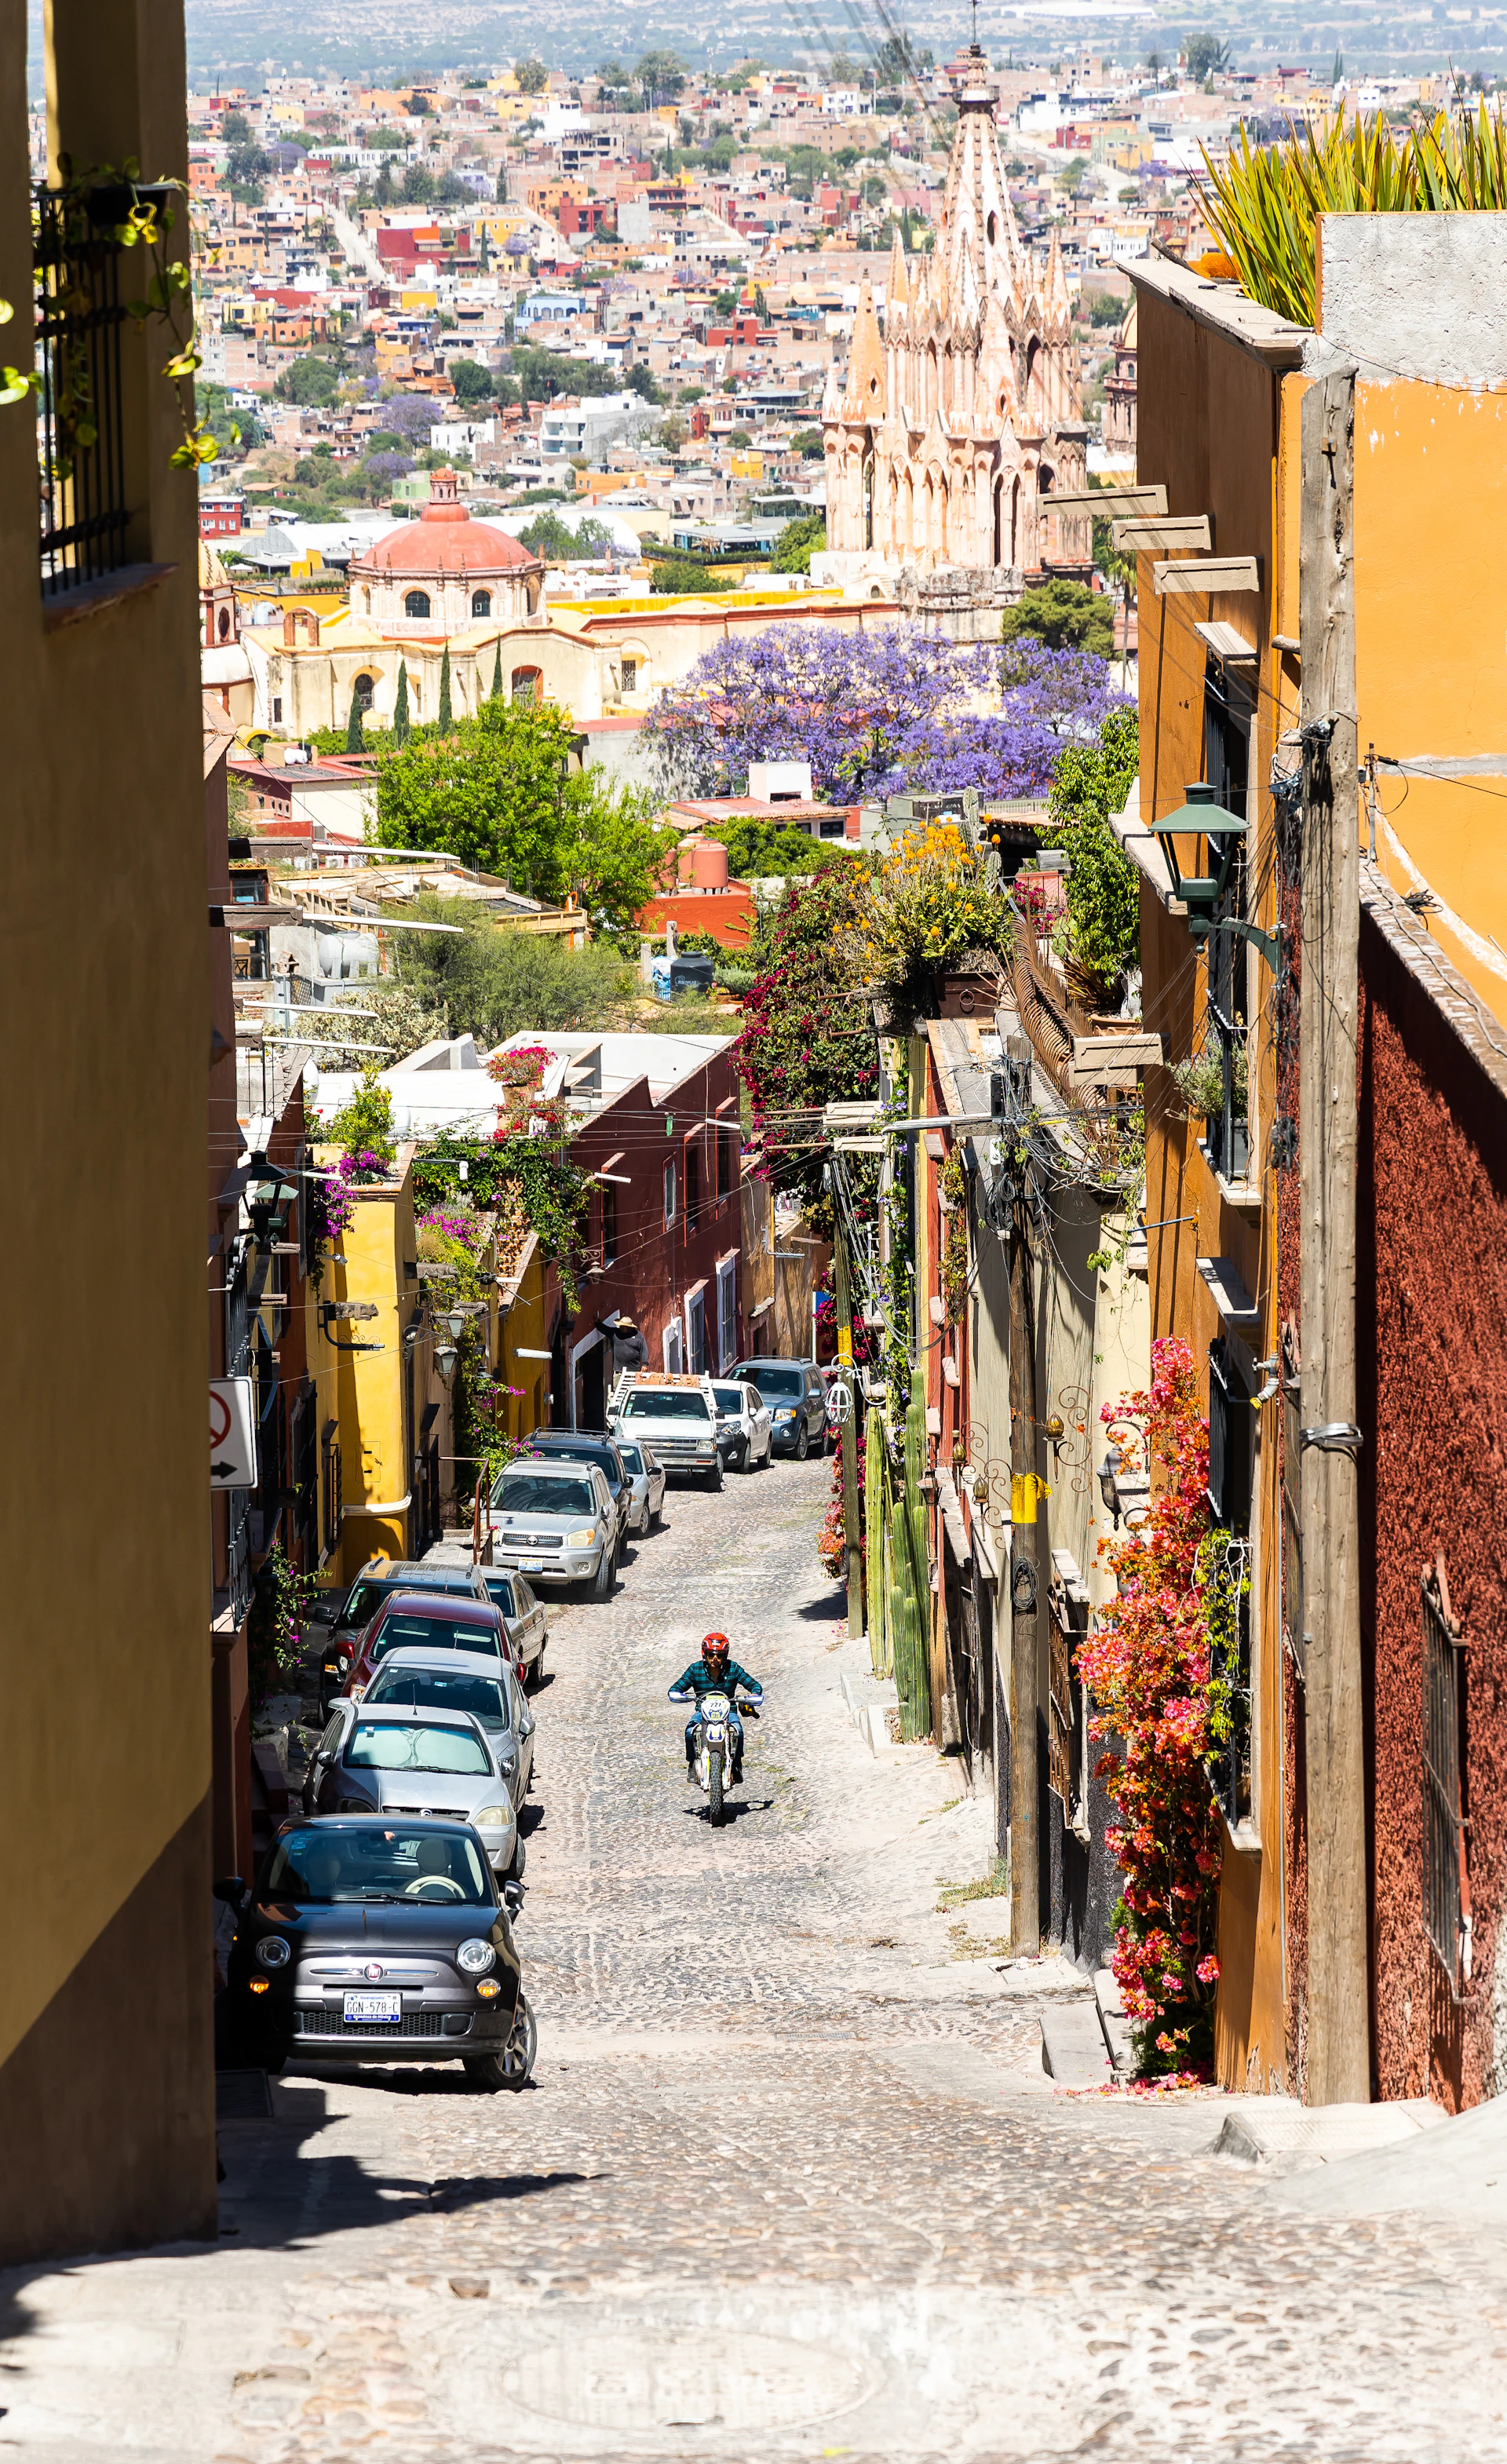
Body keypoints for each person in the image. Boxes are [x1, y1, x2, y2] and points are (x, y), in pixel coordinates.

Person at [668, 1631, 762, 1783]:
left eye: (719, 1655)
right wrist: (679, 1695)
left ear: (725, 1655)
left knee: (739, 1731)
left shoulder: (734, 1668)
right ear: (704, 1654)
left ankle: (737, 1764)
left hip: (728, 1712)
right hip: (702, 1712)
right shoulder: (695, 1669)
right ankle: (692, 1764)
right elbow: (676, 1688)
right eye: (711, 1655)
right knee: (689, 1732)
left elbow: (754, 1685)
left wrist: (753, 1695)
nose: (715, 1659)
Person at [599, 1312, 648, 1376]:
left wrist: (645, 1364)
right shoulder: (616, 1333)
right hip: (618, 1372)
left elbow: (644, 1350)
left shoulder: (639, 1336)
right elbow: (604, 1329)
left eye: (623, 1326)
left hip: (633, 1372)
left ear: (629, 1327)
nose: (620, 1327)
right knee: (617, 1386)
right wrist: (598, 1322)